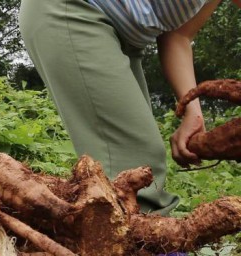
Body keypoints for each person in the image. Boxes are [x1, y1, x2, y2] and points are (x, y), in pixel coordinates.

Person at [19, 0, 241, 216]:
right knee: (134, 163)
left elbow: (178, 37)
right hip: (74, 11)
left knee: (138, 164)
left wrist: (193, 110)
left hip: (123, 38)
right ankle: (149, 246)